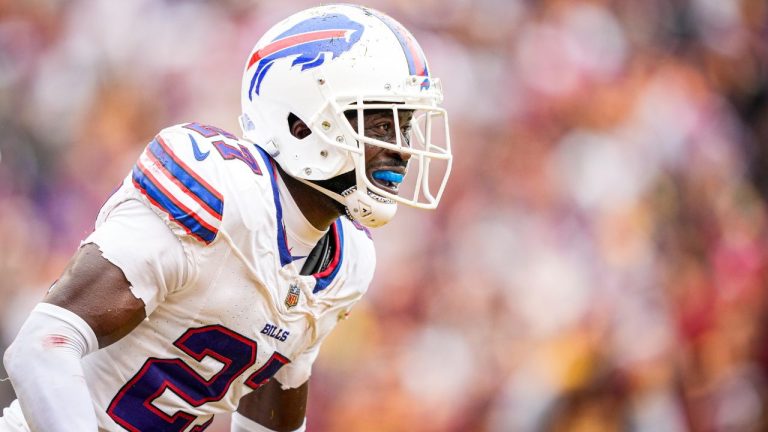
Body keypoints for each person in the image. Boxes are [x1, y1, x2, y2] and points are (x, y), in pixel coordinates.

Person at [0, 4, 452, 431]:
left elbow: (269, 411)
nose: (400, 147)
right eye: (380, 124)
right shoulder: (220, 195)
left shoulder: (346, 262)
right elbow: (41, 347)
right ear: (301, 126)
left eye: (405, 126)